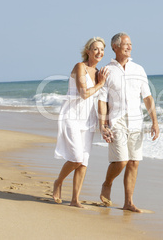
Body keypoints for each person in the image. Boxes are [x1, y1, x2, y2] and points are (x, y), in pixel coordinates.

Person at [98, 32, 159, 213]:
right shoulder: (106, 70)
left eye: (131, 44)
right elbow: (102, 100)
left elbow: (147, 97)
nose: (130, 47)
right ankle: (107, 183)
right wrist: (103, 124)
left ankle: (128, 202)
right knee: (121, 160)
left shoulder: (138, 69)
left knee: (134, 162)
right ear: (115, 47)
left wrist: (154, 121)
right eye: (126, 44)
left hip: (136, 121)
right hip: (116, 120)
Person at [52, 37, 109, 208]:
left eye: (102, 49)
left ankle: (75, 199)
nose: (99, 52)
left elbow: (100, 101)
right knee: (76, 158)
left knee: (83, 161)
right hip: (72, 117)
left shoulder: (99, 71)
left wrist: (103, 124)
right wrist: (101, 83)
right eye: (96, 49)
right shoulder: (80, 67)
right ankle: (58, 182)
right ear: (88, 51)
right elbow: (84, 93)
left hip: (88, 120)